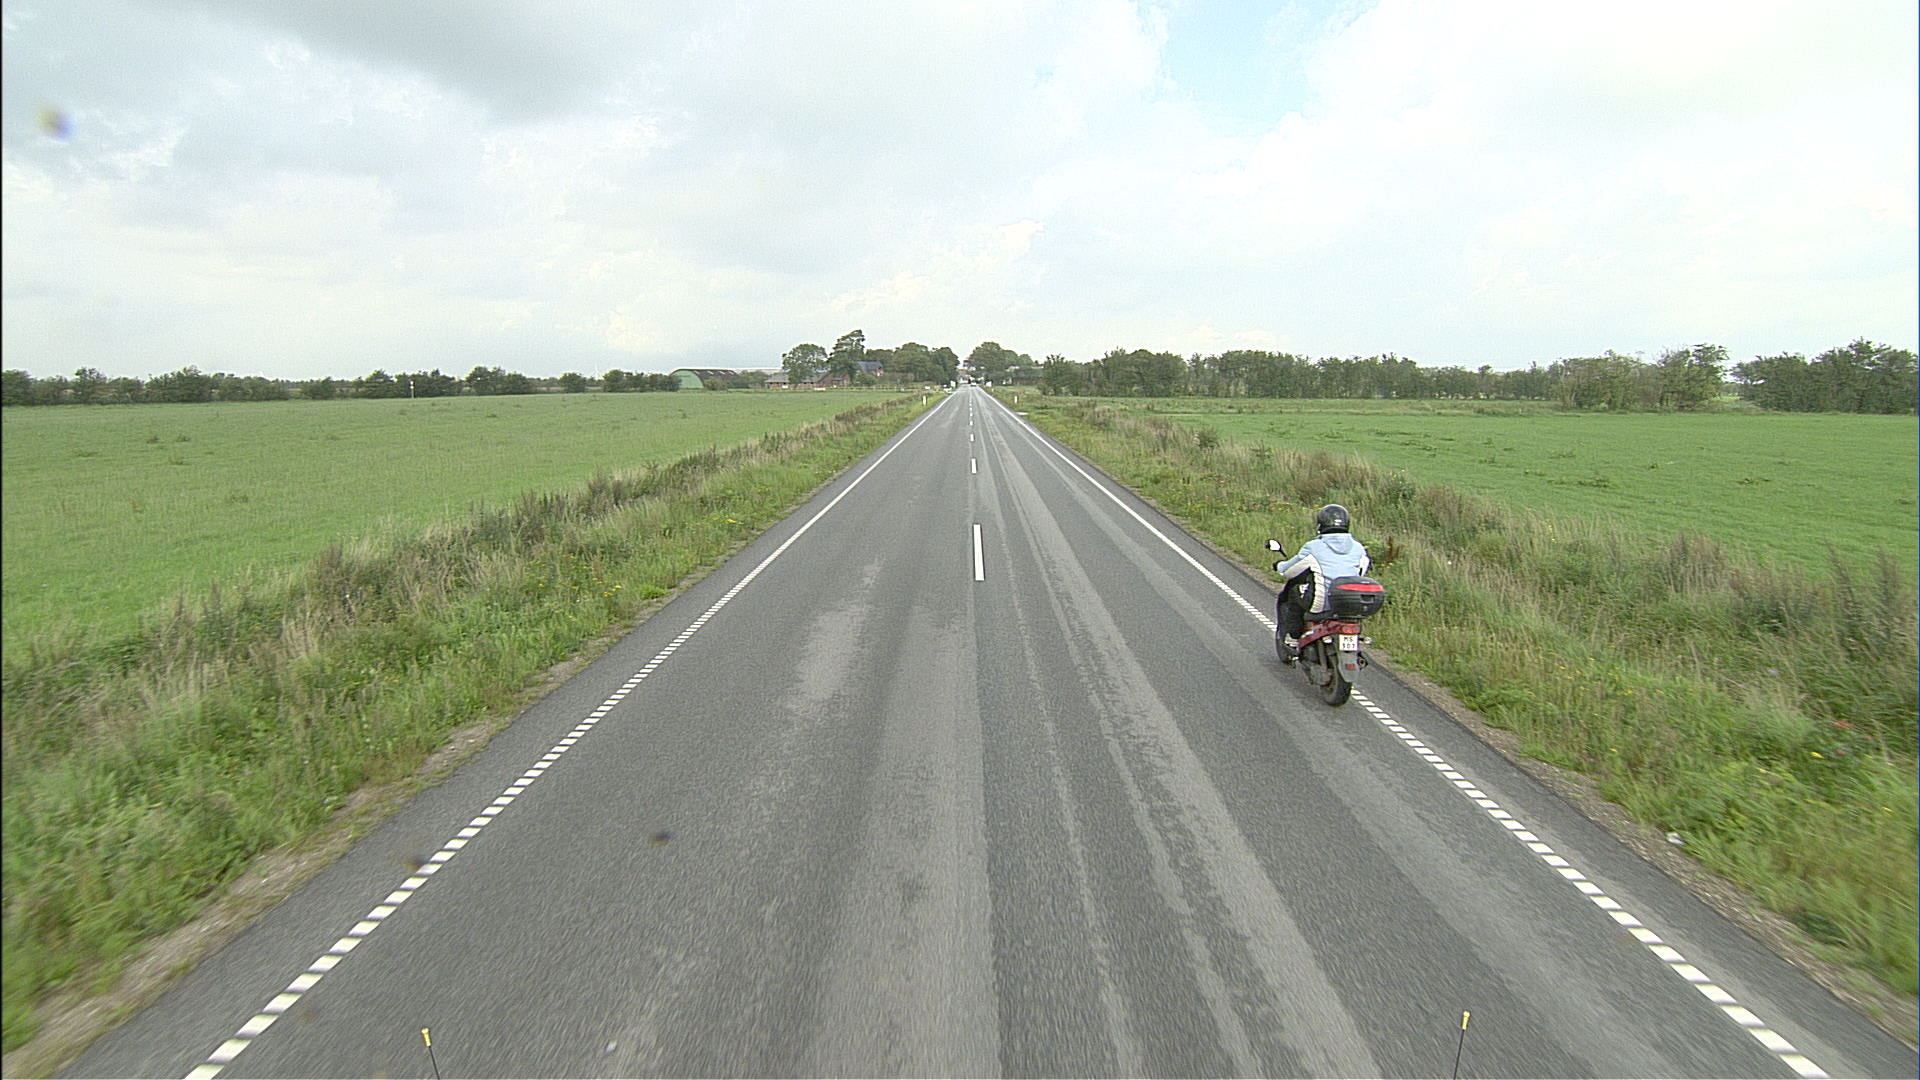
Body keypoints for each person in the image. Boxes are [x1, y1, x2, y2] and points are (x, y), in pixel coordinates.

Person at [1273, 503, 1370, 663]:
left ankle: (1293, 637)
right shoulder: (1358, 548)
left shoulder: (1314, 547)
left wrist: (1279, 566)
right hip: (1348, 604)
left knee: (1293, 593)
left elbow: (1289, 571)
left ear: (1321, 525)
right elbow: (1361, 572)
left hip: (1320, 603)